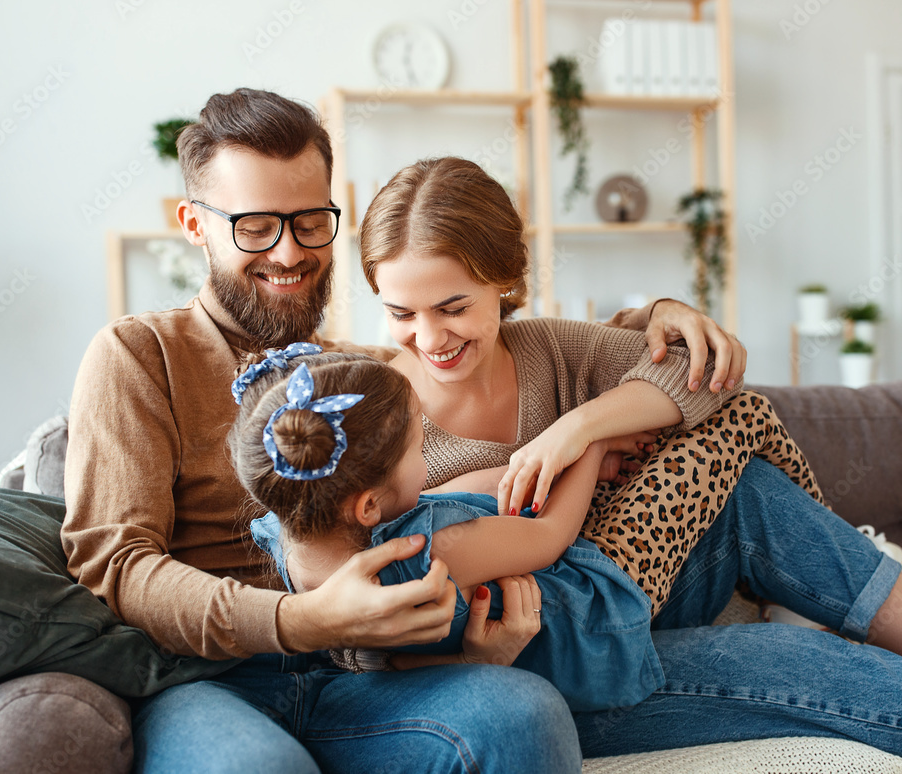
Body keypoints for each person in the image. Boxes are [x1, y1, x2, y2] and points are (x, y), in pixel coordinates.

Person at [61, 88, 735, 773]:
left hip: (365, 678)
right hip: (210, 681)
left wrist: (657, 313)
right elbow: (114, 564)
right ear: (194, 224)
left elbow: (505, 354)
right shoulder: (139, 354)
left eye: (309, 222)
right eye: (256, 226)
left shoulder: (364, 374)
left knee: (521, 714)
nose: (290, 253)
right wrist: (301, 621)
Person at [353, 155, 902, 754]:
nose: (430, 338)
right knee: (813, 667)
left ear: (504, 280)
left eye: (454, 308)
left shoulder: (546, 348)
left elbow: (708, 373)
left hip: (622, 594)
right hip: (559, 666)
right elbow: (358, 628)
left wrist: (577, 426)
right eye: (401, 314)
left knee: (749, 490)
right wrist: (474, 660)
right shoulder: (375, 416)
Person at [232, 348, 832, 712]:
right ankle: (807, 582)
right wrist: (590, 444)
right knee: (741, 413)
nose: (430, 457)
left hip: (563, 597)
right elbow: (550, 537)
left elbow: (458, 494)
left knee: (710, 457)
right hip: (604, 592)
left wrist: (548, 462)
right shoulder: (431, 548)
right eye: (421, 447)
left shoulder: (298, 543)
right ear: (366, 506)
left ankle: (793, 581)